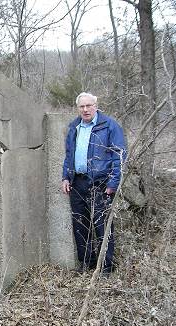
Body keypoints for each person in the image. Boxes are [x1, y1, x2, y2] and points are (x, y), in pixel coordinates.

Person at [61, 92, 126, 273]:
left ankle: (106, 267)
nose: (85, 109)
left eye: (89, 105)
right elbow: (69, 155)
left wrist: (113, 183)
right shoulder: (74, 127)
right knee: (80, 225)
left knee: (102, 226)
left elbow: (119, 156)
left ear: (96, 106)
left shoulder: (109, 126)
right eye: (82, 106)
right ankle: (87, 263)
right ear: (78, 108)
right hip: (78, 183)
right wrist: (65, 177)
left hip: (101, 184)